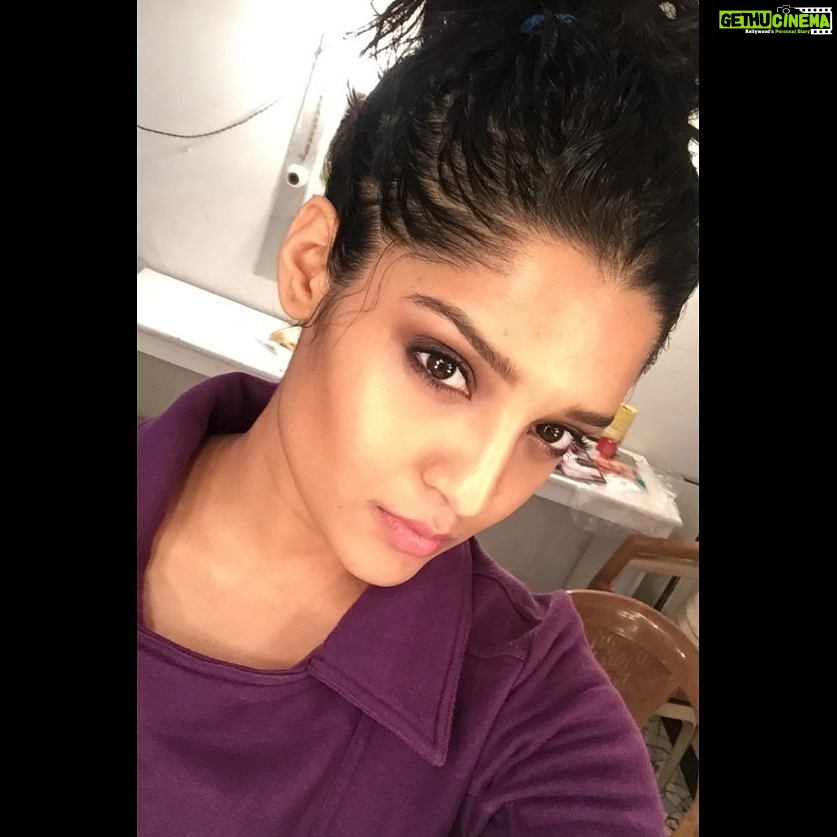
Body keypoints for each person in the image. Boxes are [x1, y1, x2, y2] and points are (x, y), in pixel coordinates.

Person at [137, 1, 698, 834]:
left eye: (552, 432)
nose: (471, 491)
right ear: (312, 265)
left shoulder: (529, 717)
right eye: (444, 365)